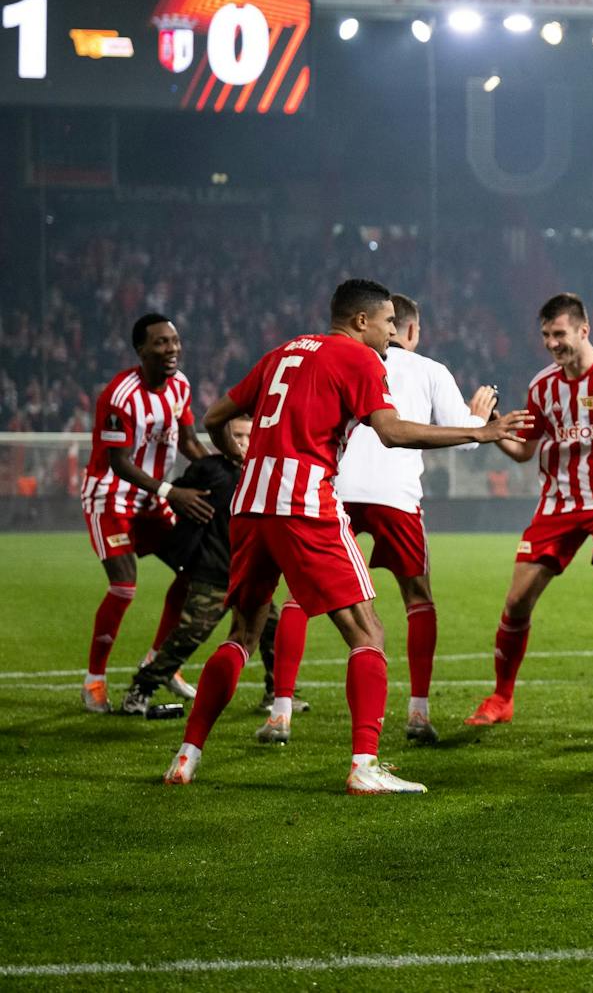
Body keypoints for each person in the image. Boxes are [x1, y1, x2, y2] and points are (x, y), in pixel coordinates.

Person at [163, 279, 525, 793]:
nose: (390, 335)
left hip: (250, 504)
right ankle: (364, 766)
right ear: (361, 321)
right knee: (367, 631)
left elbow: (216, 417)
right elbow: (393, 431)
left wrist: (242, 457)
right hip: (304, 503)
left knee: (242, 633)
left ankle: (186, 756)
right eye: (385, 324)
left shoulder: (282, 351)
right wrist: (479, 431)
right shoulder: (360, 360)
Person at [265, 294, 495, 746]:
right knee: (417, 597)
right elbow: (467, 442)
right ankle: (418, 712)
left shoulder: (339, 359)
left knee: (297, 594)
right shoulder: (430, 369)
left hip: (337, 490)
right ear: (411, 330)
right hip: (396, 495)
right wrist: (479, 418)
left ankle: (281, 711)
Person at [460, 294, 593, 733]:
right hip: (558, 503)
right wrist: (490, 432)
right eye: (545, 335)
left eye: (558, 334)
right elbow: (525, 450)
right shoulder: (542, 386)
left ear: (584, 330)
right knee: (517, 600)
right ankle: (502, 697)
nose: (551, 343)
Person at [79, 313, 215, 712]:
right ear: (141, 350)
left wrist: (221, 473)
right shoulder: (120, 396)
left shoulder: (181, 386)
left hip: (152, 501)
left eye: (174, 341)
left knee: (193, 573)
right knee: (124, 586)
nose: (171, 349)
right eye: (160, 343)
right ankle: (94, 682)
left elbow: (189, 441)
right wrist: (173, 491)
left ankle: (160, 661)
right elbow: (118, 462)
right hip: (111, 498)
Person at [119, 416, 283, 715]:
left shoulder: (268, 472)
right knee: (187, 636)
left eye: (248, 436)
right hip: (214, 572)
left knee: (275, 632)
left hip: (251, 574)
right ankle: (141, 688)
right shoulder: (210, 470)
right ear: (224, 440)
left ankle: (279, 695)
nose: (243, 442)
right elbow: (178, 497)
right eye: (236, 436)